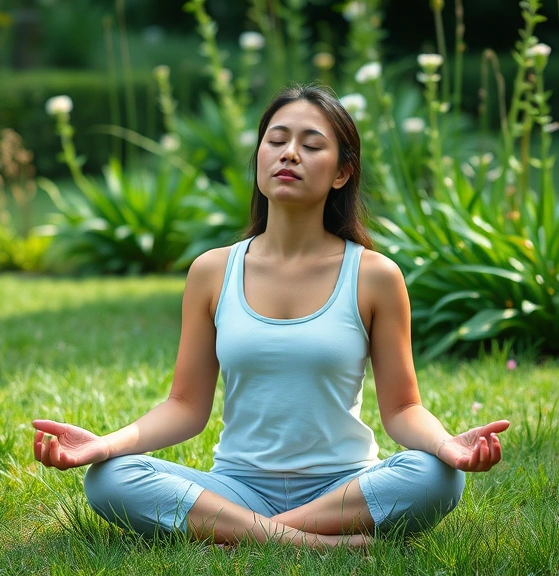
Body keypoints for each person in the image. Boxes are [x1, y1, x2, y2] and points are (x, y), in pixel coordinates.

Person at [32, 83, 509, 549]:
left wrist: (446, 447)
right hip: (237, 486)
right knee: (109, 479)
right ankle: (306, 541)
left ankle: (246, 532)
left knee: (435, 477)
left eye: (311, 144)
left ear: (342, 173)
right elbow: (184, 406)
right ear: (259, 157)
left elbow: (403, 410)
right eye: (276, 140)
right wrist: (106, 446)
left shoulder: (374, 275)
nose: (289, 154)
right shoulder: (212, 271)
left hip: (343, 487)